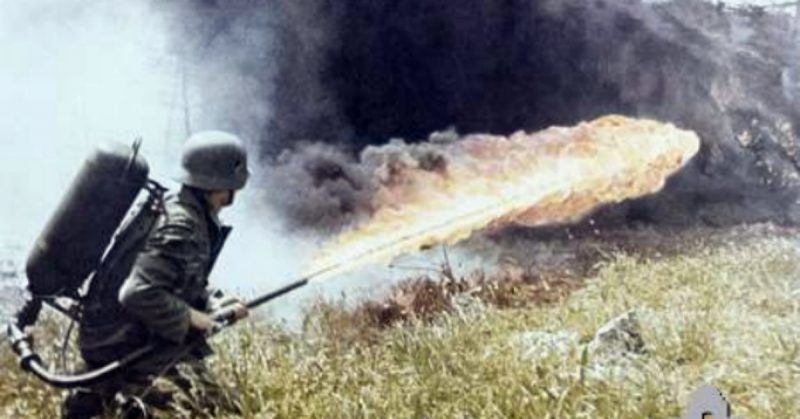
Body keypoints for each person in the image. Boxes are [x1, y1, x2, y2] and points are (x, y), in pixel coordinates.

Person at [63, 131, 251, 418]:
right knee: (218, 409)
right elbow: (138, 292)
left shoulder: (177, 207)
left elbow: (177, 278)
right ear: (220, 184)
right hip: (125, 344)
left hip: (116, 335)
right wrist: (193, 317)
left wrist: (215, 303)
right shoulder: (183, 226)